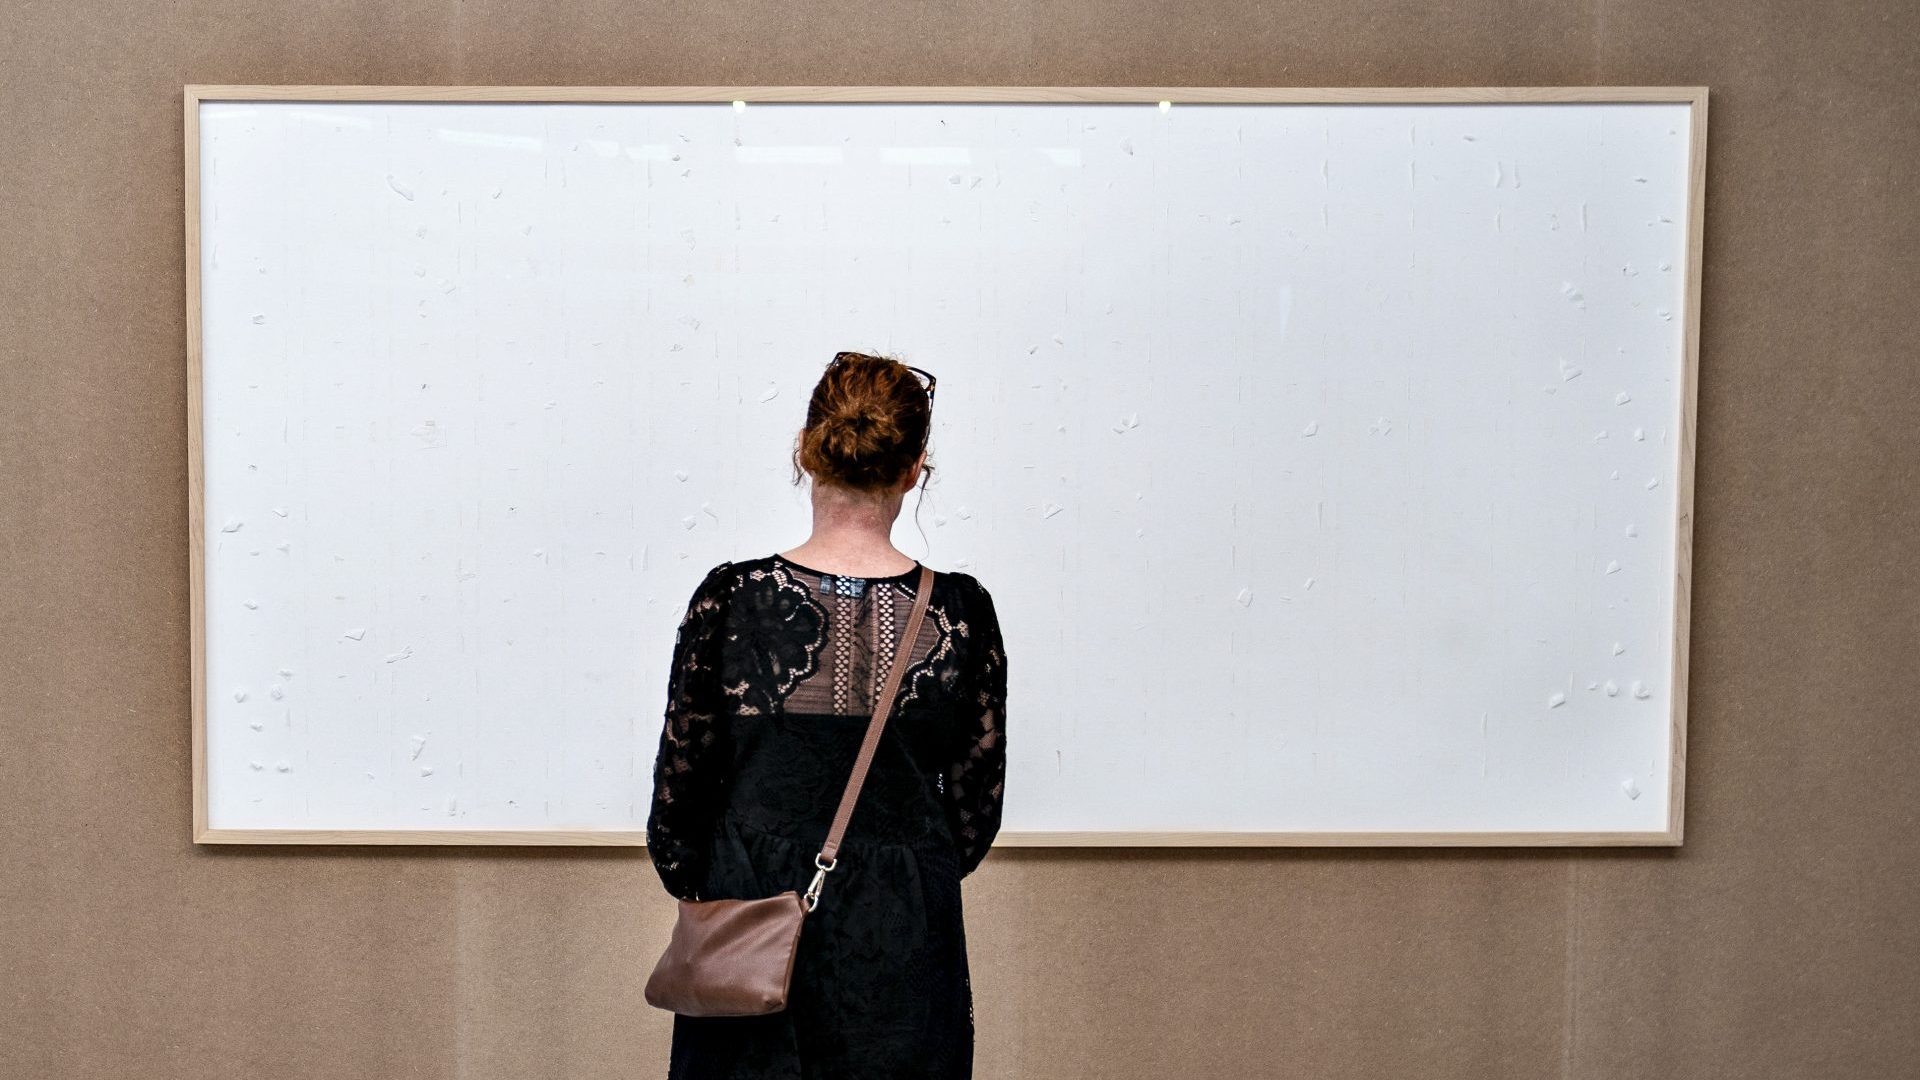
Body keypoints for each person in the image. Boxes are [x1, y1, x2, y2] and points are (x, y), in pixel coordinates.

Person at [647, 350, 1009, 1080]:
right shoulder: (961, 612)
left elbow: (676, 809)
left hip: (750, 925)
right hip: (904, 933)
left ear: (807, 454)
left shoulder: (730, 598)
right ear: (914, 470)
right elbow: (973, 815)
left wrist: (725, 877)